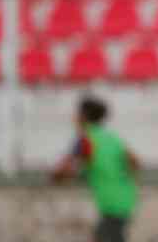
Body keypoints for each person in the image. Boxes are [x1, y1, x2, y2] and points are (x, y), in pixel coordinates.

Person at [51, 96, 139, 242]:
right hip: (126, 196)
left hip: (111, 203)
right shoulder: (111, 137)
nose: (73, 117)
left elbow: (63, 170)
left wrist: (60, 176)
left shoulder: (85, 139)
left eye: (76, 113)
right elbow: (135, 162)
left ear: (83, 117)